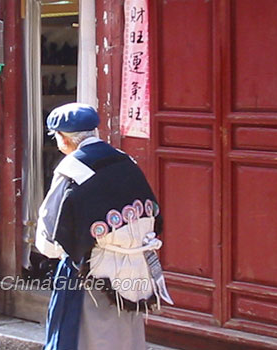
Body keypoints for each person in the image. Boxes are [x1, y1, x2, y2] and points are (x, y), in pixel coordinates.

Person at [36, 103, 173, 350]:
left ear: (64, 139)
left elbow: (48, 237)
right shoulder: (125, 161)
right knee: (124, 336)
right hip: (132, 271)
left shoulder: (71, 169)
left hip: (88, 274)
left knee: (85, 337)